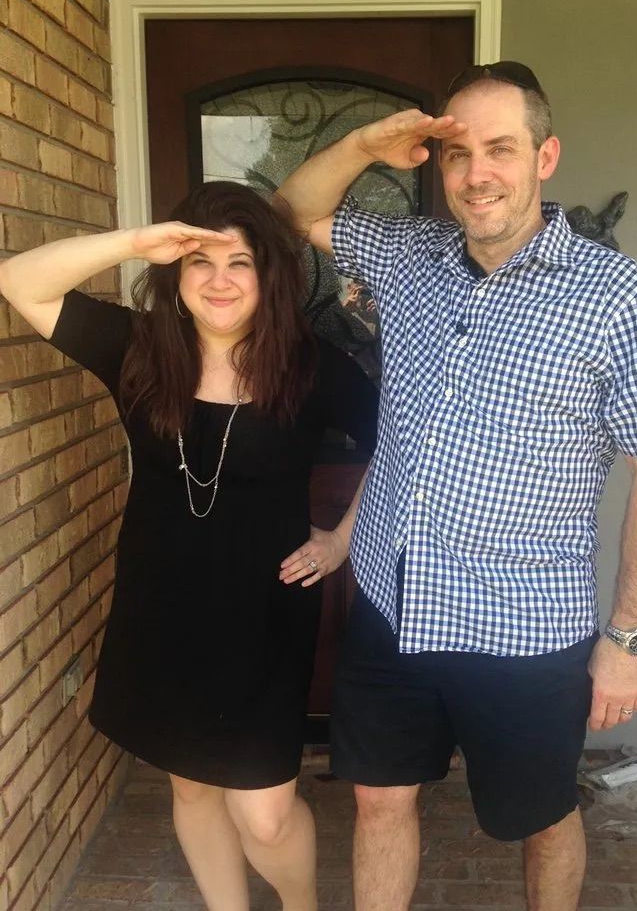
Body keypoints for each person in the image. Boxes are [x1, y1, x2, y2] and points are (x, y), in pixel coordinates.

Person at [275, 61, 637, 911]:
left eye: (501, 148)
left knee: (541, 817)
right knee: (378, 799)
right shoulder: (409, 256)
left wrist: (628, 639)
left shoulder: (622, 298)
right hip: (394, 603)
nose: (477, 174)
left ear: (545, 158)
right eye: (458, 153)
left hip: (525, 626)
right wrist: (365, 144)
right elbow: (294, 212)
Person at [0, 180, 377, 911]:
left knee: (265, 816)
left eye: (240, 262)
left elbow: (400, 444)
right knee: (193, 786)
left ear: (269, 275)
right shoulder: (139, 349)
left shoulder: (310, 365)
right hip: (162, 608)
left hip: (265, 618)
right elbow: (19, 280)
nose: (219, 280)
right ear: (175, 273)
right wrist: (136, 243)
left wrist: (342, 540)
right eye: (201, 262)